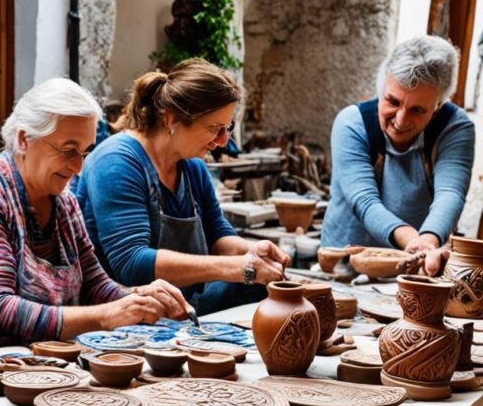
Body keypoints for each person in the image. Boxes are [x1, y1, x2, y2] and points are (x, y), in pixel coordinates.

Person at [0, 78, 192, 342]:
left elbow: (94, 284)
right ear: (25, 138)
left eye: (84, 152)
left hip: (33, 360)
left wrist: (138, 299)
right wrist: (106, 316)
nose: (78, 168)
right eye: (68, 150)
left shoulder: (63, 199)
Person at [74, 59, 290, 315]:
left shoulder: (192, 166)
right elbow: (131, 262)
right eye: (214, 129)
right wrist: (241, 268)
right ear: (172, 119)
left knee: (267, 288)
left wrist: (254, 252)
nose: (222, 142)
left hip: (177, 306)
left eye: (227, 128)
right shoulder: (117, 161)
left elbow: (218, 235)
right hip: (121, 311)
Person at [322, 35, 474, 253]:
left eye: (417, 110)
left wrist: (428, 241)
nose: (400, 120)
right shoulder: (352, 124)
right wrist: (415, 242)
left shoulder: (454, 128)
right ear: (382, 88)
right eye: (392, 101)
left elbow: (450, 193)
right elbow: (364, 200)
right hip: (345, 261)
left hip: (414, 265)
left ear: (438, 106)